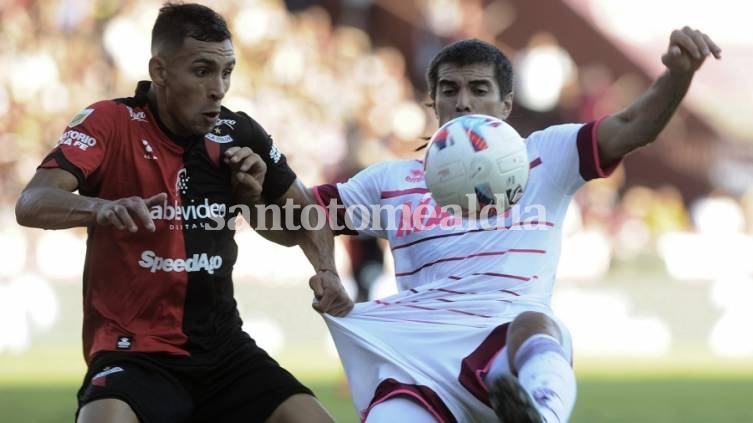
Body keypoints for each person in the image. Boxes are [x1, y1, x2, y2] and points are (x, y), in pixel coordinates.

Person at [312, 27, 721, 422]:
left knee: (534, 324)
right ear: (432, 102)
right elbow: (298, 215)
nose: (463, 102)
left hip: (505, 352)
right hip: (419, 362)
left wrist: (676, 77)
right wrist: (259, 178)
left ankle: (540, 415)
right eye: (449, 90)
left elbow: (633, 126)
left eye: (479, 89)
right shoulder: (391, 182)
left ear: (506, 104)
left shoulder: (546, 156)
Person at [15, 3, 351, 423]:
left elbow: (304, 218)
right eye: (203, 70)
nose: (219, 88)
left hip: (223, 352)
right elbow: (31, 204)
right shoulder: (109, 122)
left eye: (227, 72)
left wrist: (319, 262)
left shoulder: (239, 133)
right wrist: (101, 207)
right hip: (134, 351)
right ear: (160, 71)